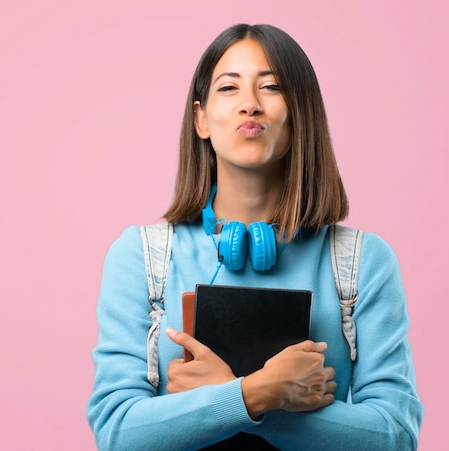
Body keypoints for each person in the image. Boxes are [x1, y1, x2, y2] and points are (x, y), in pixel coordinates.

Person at [87, 23, 424, 450]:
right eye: (229, 88)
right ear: (201, 119)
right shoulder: (141, 256)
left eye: (271, 87)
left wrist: (235, 398)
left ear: (301, 115)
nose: (250, 105)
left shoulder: (362, 261)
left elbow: (395, 436)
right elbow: (118, 434)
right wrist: (258, 393)